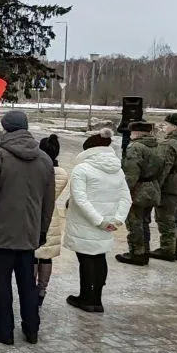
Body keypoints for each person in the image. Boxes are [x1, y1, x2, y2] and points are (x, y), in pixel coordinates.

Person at [0, 110, 54, 346]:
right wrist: (42, 230)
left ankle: (4, 328)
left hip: (0, 232)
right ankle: (31, 328)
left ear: (5, 128)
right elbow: (48, 202)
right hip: (29, 232)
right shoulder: (44, 159)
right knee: (27, 283)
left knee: (1, 283)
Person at [63, 130, 131, 312]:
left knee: (86, 260)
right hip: (107, 224)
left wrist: (98, 221)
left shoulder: (82, 169)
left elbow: (80, 199)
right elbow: (126, 198)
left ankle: (86, 299)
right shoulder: (117, 169)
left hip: (86, 223)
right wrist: (117, 220)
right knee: (99, 258)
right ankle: (96, 299)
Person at [115, 121, 166, 266]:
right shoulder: (158, 146)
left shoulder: (135, 147)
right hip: (153, 187)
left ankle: (137, 253)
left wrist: (124, 192)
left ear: (136, 132)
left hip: (138, 190)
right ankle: (145, 251)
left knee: (134, 222)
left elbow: (131, 173)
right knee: (145, 221)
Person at [33, 134, 68, 306]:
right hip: (52, 216)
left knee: (33, 255)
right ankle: (42, 289)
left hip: (34, 213)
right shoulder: (62, 173)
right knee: (47, 256)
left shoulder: (37, 170)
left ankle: (30, 287)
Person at [151, 114, 177, 262]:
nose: (164, 127)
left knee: (165, 218)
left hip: (170, 185)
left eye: (167, 125)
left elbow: (164, 168)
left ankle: (167, 249)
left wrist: (157, 187)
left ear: (174, 127)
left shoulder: (169, 144)